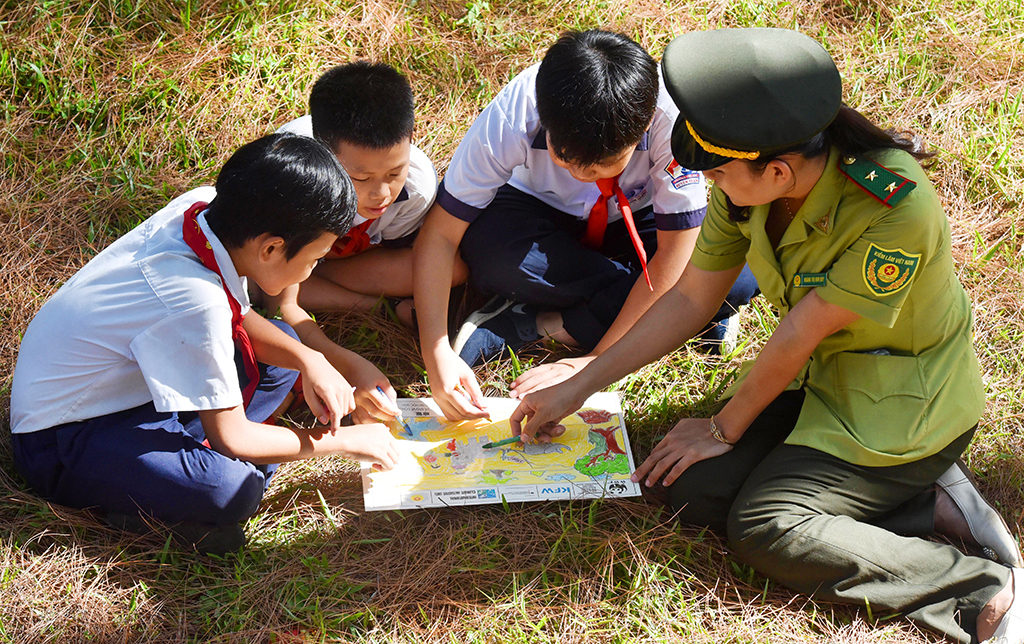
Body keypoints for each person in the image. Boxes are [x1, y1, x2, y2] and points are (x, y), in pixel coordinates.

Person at [510, 28, 1023, 644]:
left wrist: (723, 427)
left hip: (901, 410)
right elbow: (693, 298)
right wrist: (581, 385)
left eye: (720, 174)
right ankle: (922, 505)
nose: (711, 185)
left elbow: (798, 334)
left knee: (765, 528)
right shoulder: (748, 178)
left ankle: (978, 591)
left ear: (778, 170)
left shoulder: (893, 208)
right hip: (816, 383)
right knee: (682, 487)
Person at [9, 134, 400, 555]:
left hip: (130, 389)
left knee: (285, 348)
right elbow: (233, 437)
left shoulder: (202, 210)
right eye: (313, 259)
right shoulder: (194, 302)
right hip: (62, 437)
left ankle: (174, 479)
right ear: (271, 248)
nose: (311, 272)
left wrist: (311, 359)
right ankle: (153, 505)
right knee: (233, 489)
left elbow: (235, 317)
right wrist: (342, 443)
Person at [412, 29, 759, 420]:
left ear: (643, 128)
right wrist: (436, 349)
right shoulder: (514, 112)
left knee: (740, 269)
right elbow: (441, 234)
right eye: (563, 156)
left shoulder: (671, 120)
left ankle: (553, 320)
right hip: (538, 211)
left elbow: (676, 248)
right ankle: (685, 313)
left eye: (598, 166)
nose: (579, 173)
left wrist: (594, 361)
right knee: (490, 253)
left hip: (639, 216)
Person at [272, 61, 463, 422]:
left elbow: (397, 253)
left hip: (338, 264)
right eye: (359, 177)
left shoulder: (416, 188)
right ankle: (375, 304)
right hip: (284, 269)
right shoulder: (290, 184)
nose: (381, 193)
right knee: (269, 287)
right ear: (324, 153)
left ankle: (323, 282)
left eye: (394, 172)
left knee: (450, 268)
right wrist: (349, 354)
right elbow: (279, 301)